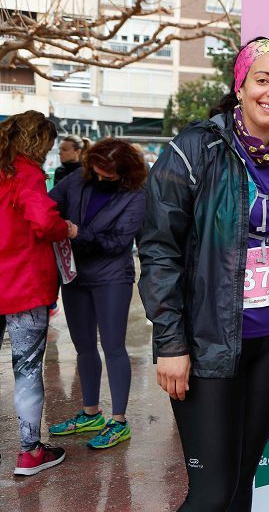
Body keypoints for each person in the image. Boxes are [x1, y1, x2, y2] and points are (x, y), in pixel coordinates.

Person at [138, 37, 269, 511]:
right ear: (239, 86)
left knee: (241, 482)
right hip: (208, 344)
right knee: (212, 493)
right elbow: (159, 250)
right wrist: (170, 343)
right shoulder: (196, 149)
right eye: (262, 79)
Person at [47, 139, 147, 449]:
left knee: (114, 346)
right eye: (97, 170)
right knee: (83, 346)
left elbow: (117, 243)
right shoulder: (78, 177)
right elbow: (49, 202)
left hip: (112, 277)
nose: (101, 177)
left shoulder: (137, 195)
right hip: (76, 274)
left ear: (126, 172)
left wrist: (76, 231)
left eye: (109, 174)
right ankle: (90, 413)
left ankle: (118, 421)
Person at [0, 111, 72, 475]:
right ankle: (30, 452)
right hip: (24, 286)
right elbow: (44, 221)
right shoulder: (26, 174)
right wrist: (67, 228)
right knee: (27, 369)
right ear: (39, 141)